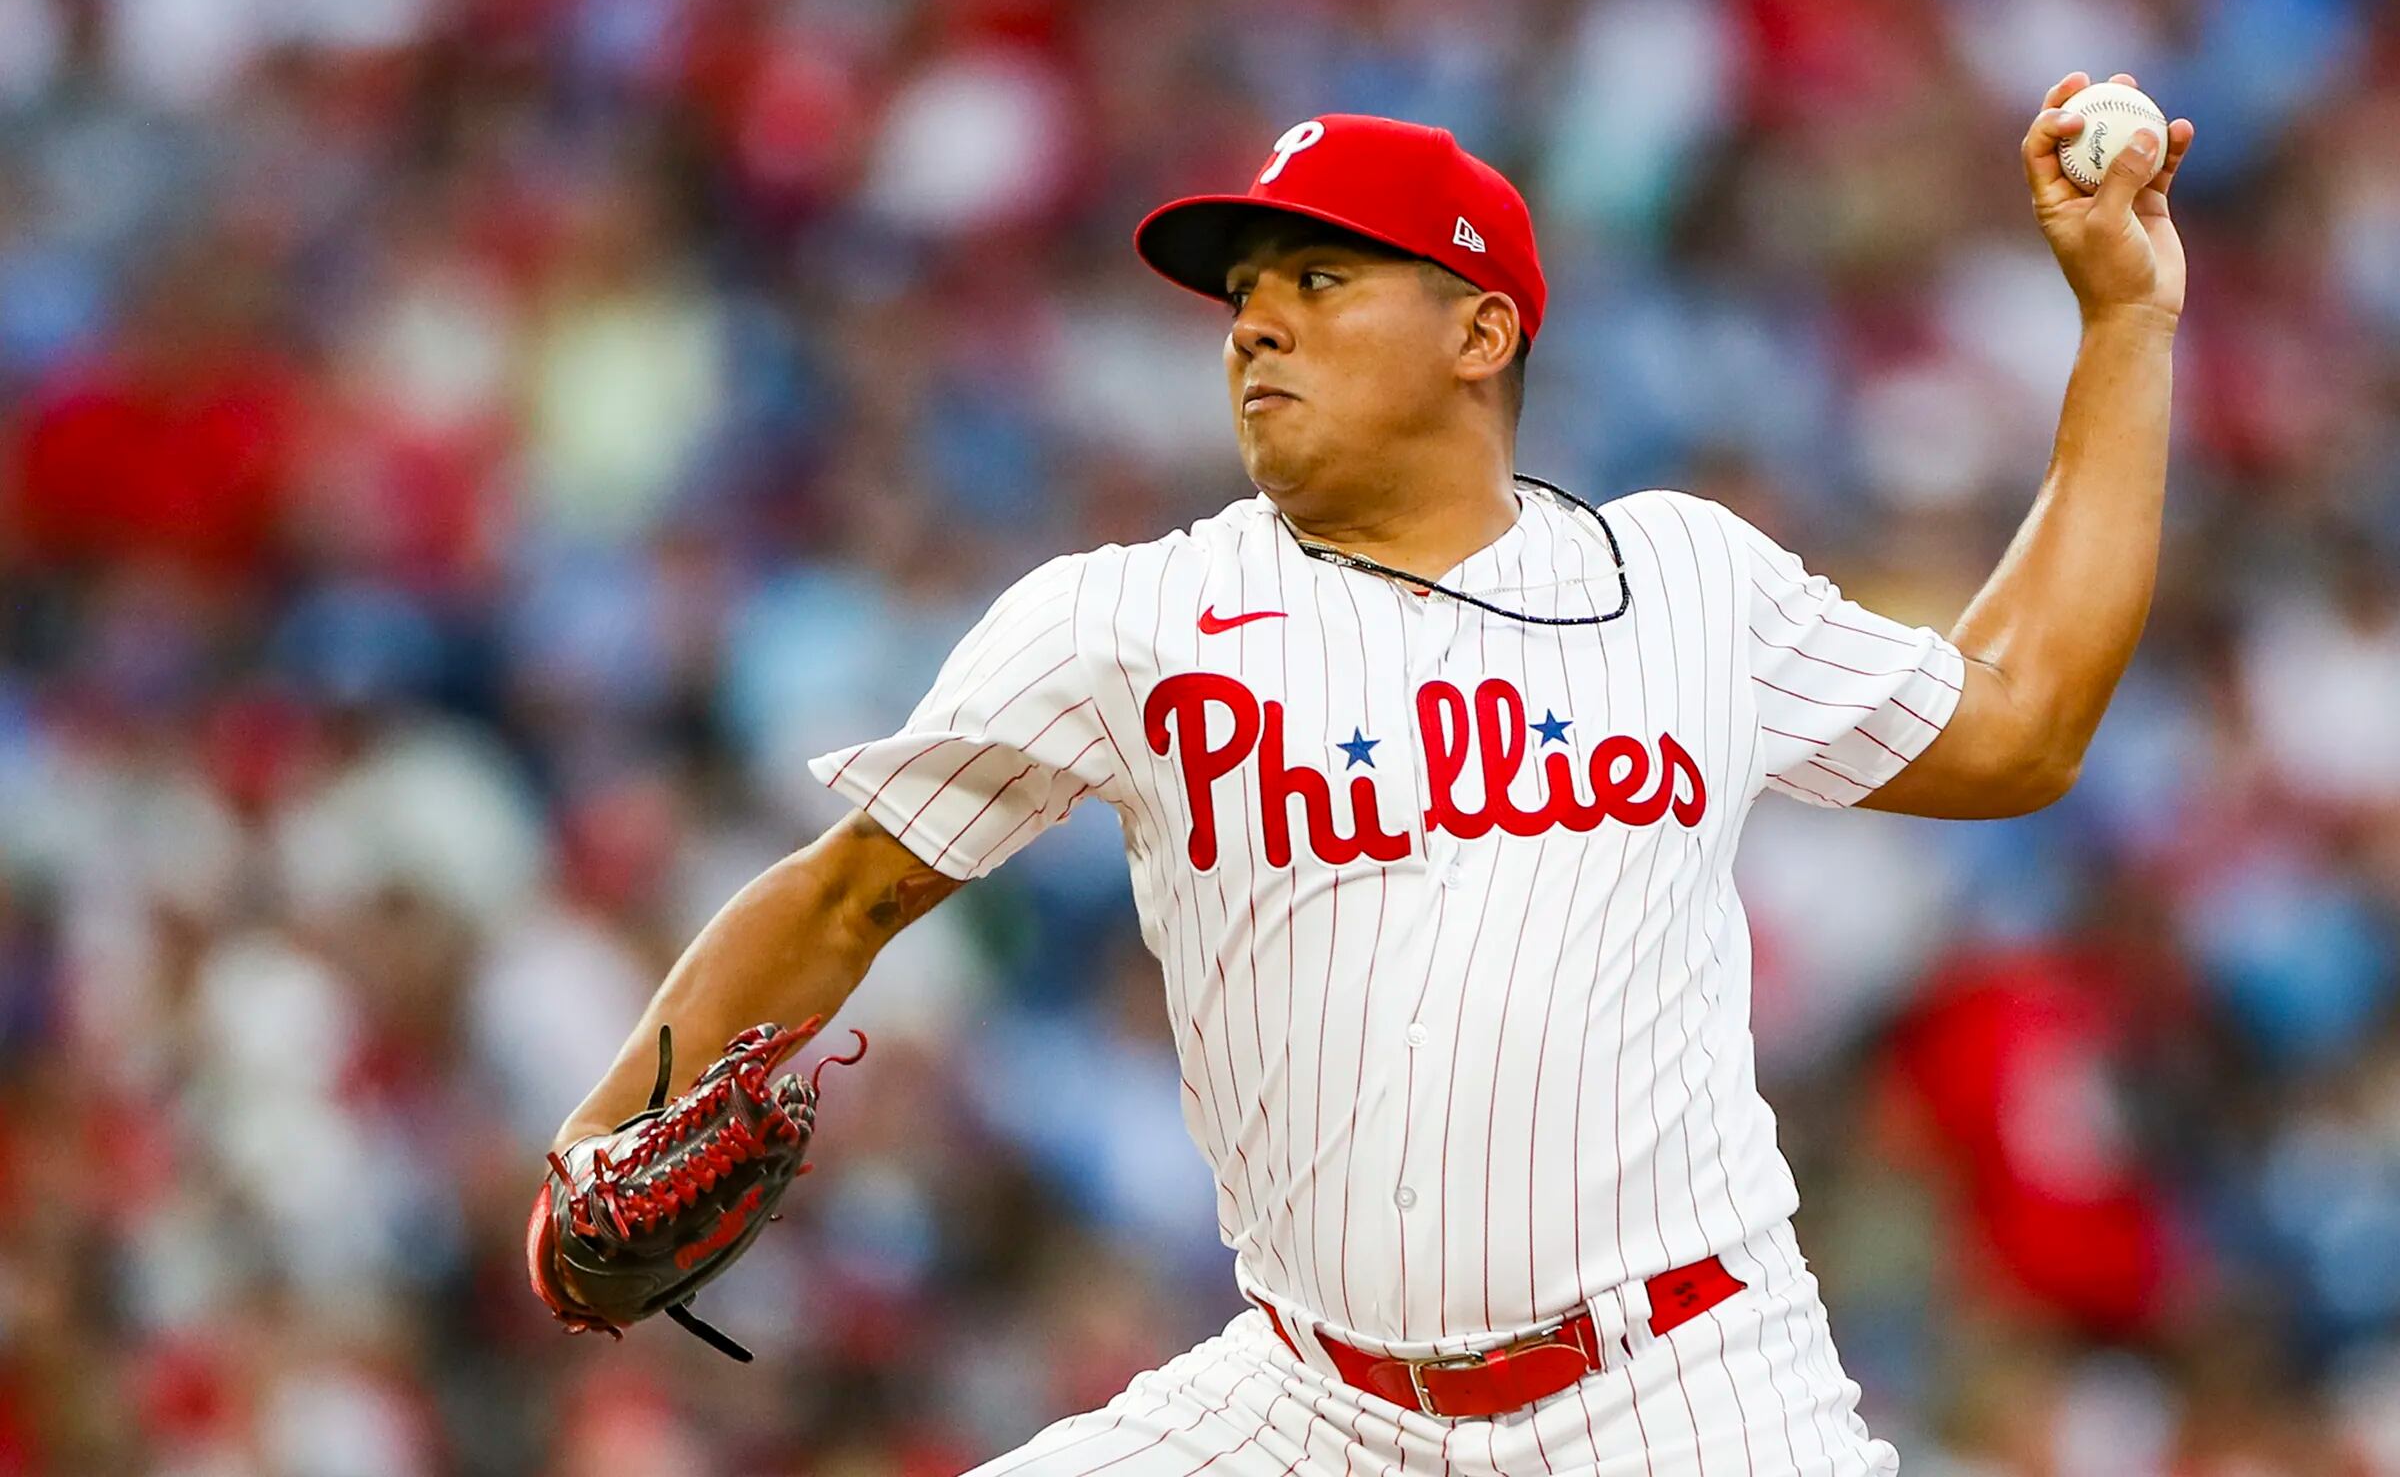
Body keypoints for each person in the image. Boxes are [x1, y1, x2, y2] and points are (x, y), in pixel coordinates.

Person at [542, 74, 2194, 1473]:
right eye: (1246, 289)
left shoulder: (1690, 582)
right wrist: (595, 1149)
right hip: (1311, 1404)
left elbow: (2019, 722)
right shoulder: (1128, 619)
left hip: (1688, 1391)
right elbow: (845, 896)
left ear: (1482, 329)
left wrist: (2124, 318)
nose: (1255, 318)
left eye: (1322, 279)